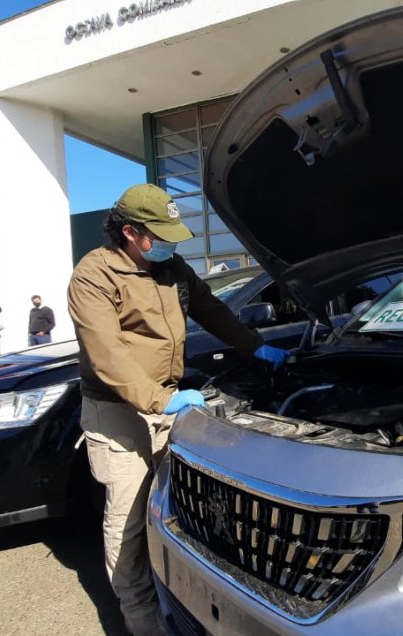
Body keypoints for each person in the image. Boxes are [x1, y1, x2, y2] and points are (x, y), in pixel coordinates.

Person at [68, 183, 286, 635]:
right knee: (127, 519)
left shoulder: (174, 267)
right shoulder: (94, 276)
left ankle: (184, 593)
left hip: (168, 401)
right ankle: (142, 621)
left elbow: (213, 310)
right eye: (160, 234)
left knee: (176, 505)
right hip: (117, 412)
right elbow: (106, 353)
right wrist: (160, 400)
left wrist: (255, 347)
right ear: (130, 232)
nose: (171, 242)